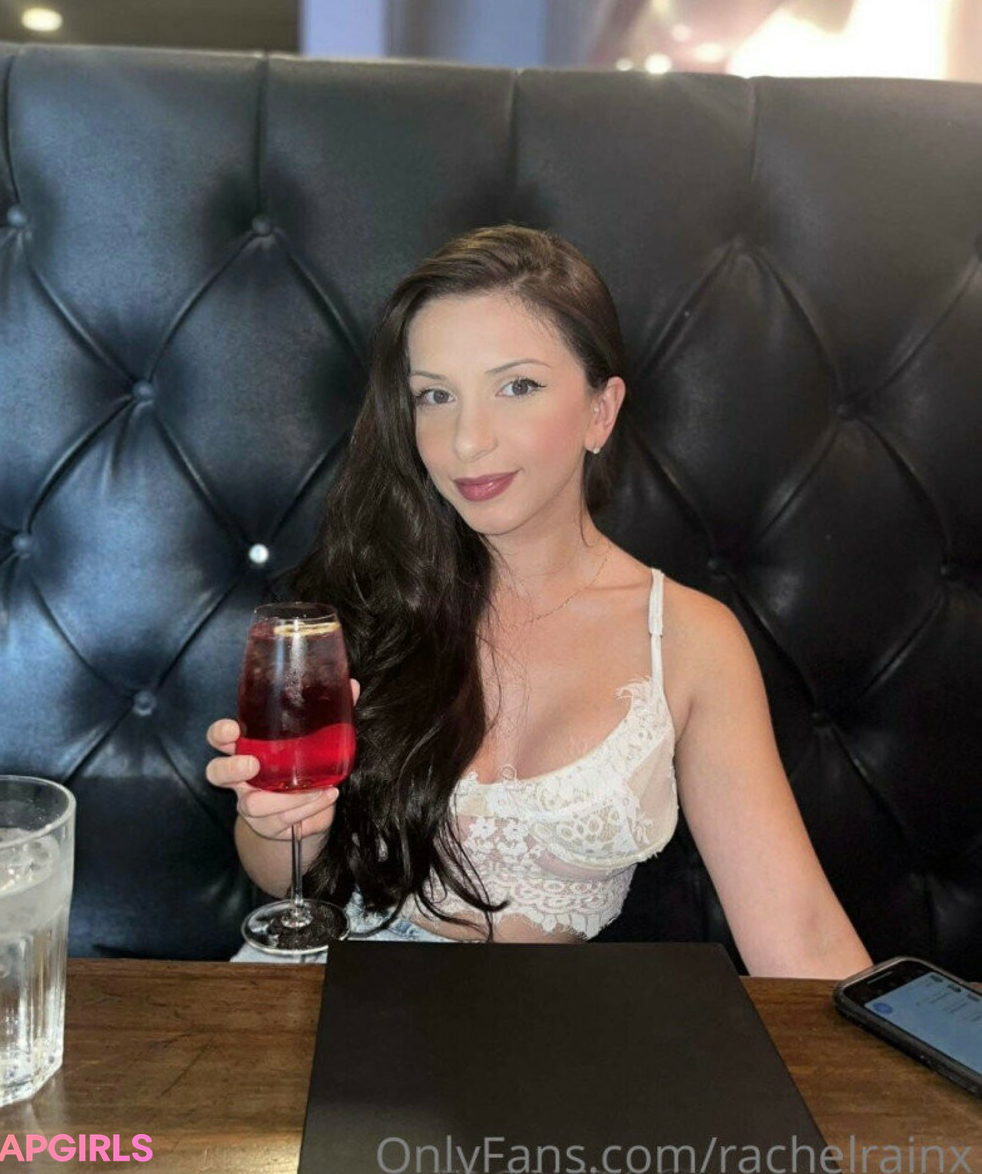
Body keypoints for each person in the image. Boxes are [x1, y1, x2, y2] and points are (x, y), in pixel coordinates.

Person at [205, 224, 873, 977]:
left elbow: (799, 933)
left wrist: (897, 1042)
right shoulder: (363, 597)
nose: (466, 440)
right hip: (321, 994)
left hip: (524, 1032)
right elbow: (283, 878)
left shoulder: (690, 641)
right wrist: (276, 822)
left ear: (600, 411)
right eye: (435, 396)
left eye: (516, 386)